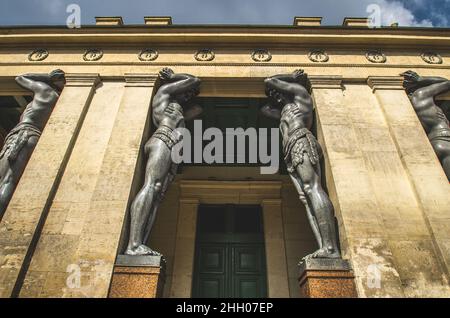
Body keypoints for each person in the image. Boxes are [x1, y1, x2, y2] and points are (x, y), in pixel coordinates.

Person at [262, 69, 341, 260]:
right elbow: (264, 110)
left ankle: (331, 248)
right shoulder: (285, 109)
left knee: (312, 188)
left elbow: (270, 80)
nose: (275, 94)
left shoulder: (300, 93)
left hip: (301, 141)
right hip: (292, 148)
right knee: (306, 196)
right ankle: (324, 247)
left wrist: (293, 79)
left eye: (279, 92)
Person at [126, 68, 202, 256]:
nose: (188, 94)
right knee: (151, 186)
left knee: (157, 194)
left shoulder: (179, 109)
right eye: (186, 91)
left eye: (190, 94)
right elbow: (194, 78)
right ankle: (133, 244)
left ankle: (139, 242)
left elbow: (198, 109)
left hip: (172, 146)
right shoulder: (164, 93)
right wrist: (173, 78)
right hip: (164, 138)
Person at [0, 70, 65, 217]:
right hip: (35, 137)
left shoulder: (44, 89)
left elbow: (20, 77)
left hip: (21, 134)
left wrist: (48, 76)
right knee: (10, 180)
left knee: (5, 180)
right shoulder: (58, 99)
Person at [402, 70, 450, 181]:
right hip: (446, 138)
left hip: (437, 141)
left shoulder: (414, 103)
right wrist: (421, 79)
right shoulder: (421, 95)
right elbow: (447, 83)